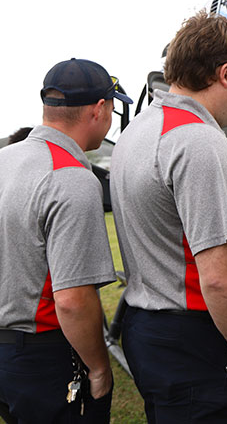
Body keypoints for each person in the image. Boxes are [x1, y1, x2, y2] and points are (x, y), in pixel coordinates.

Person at [110, 10, 227, 422]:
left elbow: (164, 198)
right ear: (225, 73)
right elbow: (218, 276)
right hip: (195, 336)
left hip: (148, 328)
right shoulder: (199, 143)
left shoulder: (141, 131)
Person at [0, 59, 132, 422]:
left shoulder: (3, 159)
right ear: (99, 109)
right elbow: (72, 300)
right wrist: (99, 368)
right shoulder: (71, 177)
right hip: (41, 351)